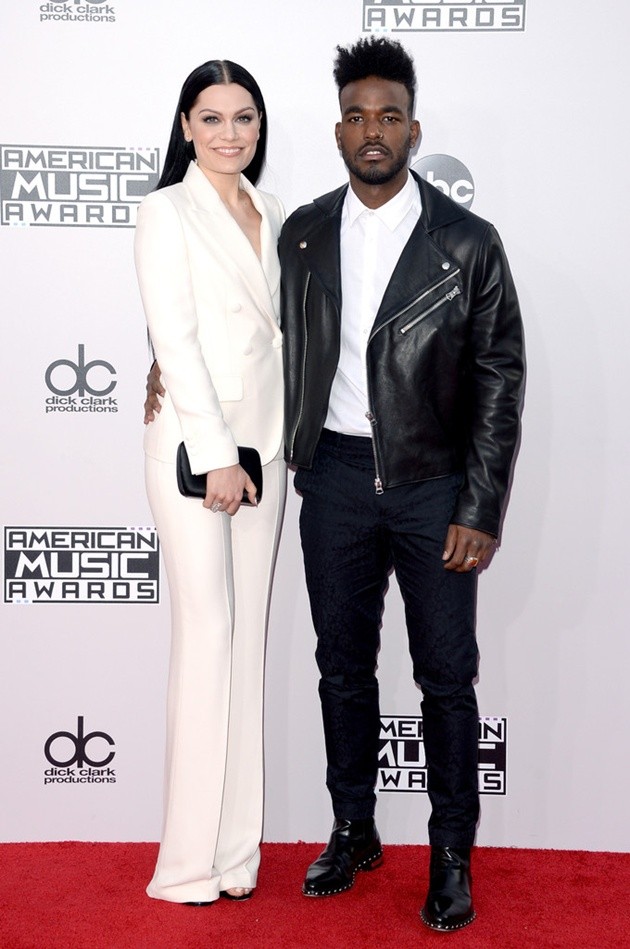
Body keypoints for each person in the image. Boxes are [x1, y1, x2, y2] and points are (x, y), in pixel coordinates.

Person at [278, 36, 524, 931]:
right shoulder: (303, 231)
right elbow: (261, 340)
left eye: (388, 115)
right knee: (342, 670)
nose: (370, 130)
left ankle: (451, 852)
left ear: (414, 131)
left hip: (432, 485)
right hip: (335, 477)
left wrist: (480, 506)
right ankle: (354, 826)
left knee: (445, 678)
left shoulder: (467, 243)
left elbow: (501, 377)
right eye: (355, 116)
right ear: (337, 130)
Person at [134, 59, 286, 906]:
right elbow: (176, 339)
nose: (231, 133)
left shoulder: (278, 213)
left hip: (269, 454)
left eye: (245, 118)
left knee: (246, 650)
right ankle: (186, 863)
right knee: (206, 640)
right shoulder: (165, 211)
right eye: (213, 118)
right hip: (200, 455)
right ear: (186, 126)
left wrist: (267, 447)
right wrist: (218, 452)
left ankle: (236, 856)